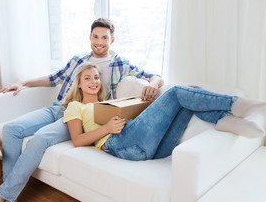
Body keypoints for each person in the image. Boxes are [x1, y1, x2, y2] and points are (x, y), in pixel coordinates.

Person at [0, 18, 164, 202]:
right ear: (90, 38)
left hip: (79, 116)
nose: (99, 41)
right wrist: (22, 82)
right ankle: (10, 199)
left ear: (111, 40)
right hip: (58, 107)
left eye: (104, 37)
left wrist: (152, 84)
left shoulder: (121, 64)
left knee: (40, 138)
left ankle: (0, 198)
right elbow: (53, 78)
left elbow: (155, 76)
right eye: (95, 36)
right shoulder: (78, 59)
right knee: (11, 129)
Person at [63, 63, 266, 161]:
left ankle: (224, 121)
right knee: (178, 91)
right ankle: (236, 105)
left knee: (189, 95)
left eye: (96, 77)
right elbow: (77, 140)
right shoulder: (76, 106)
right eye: (88, 78)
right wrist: (107, 127)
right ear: (79, 84)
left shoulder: (111, 102)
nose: (94, 81)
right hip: (118, 144)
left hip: (154, 149)